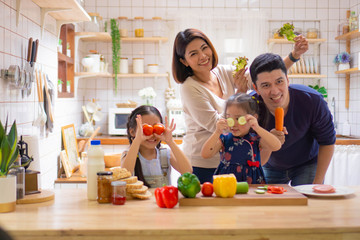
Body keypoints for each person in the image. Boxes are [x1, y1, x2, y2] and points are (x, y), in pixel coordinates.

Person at [172, 28, 308, 183]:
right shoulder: (189, 87)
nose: (203, 56)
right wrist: (240, 94)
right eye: (193, 53)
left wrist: (294, 55)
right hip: (204, 166)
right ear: (183, 61)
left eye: (204, 48)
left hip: (237, 162)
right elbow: (219, 125)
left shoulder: (223, 71)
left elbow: (262, 77)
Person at [249, 53, 336, 186]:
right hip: (270, 165)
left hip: (307, 164)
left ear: (287, 80)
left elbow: (327, 142)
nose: (275, 91)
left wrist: (317, 183)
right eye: (266, 85)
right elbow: (255, 159)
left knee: (308, 203)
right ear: (256, 88)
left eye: (279, 81)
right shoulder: (250, 107)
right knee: (267, 204)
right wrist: (269, 144)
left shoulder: (312, 101)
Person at [201, 93, 281, 183]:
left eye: (238, 118)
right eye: (229, 118)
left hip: (252, 183)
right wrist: (217, 132)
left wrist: (257, 128)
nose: (234, 124)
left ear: (253, 118)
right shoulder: (224, 139)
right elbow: (205, 154)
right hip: (227, 184)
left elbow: (276, 146)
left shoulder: (256, 139)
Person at [121, 105, 192, 188]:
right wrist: (137, 140)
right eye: (145, 129)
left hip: (163, 200)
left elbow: (187, 172)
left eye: (156, 128)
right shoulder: (128, 155)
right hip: (139, 201)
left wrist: (170, 142)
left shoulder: (165, 154)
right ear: (132, 132)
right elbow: (125, 175)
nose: (151, 135)